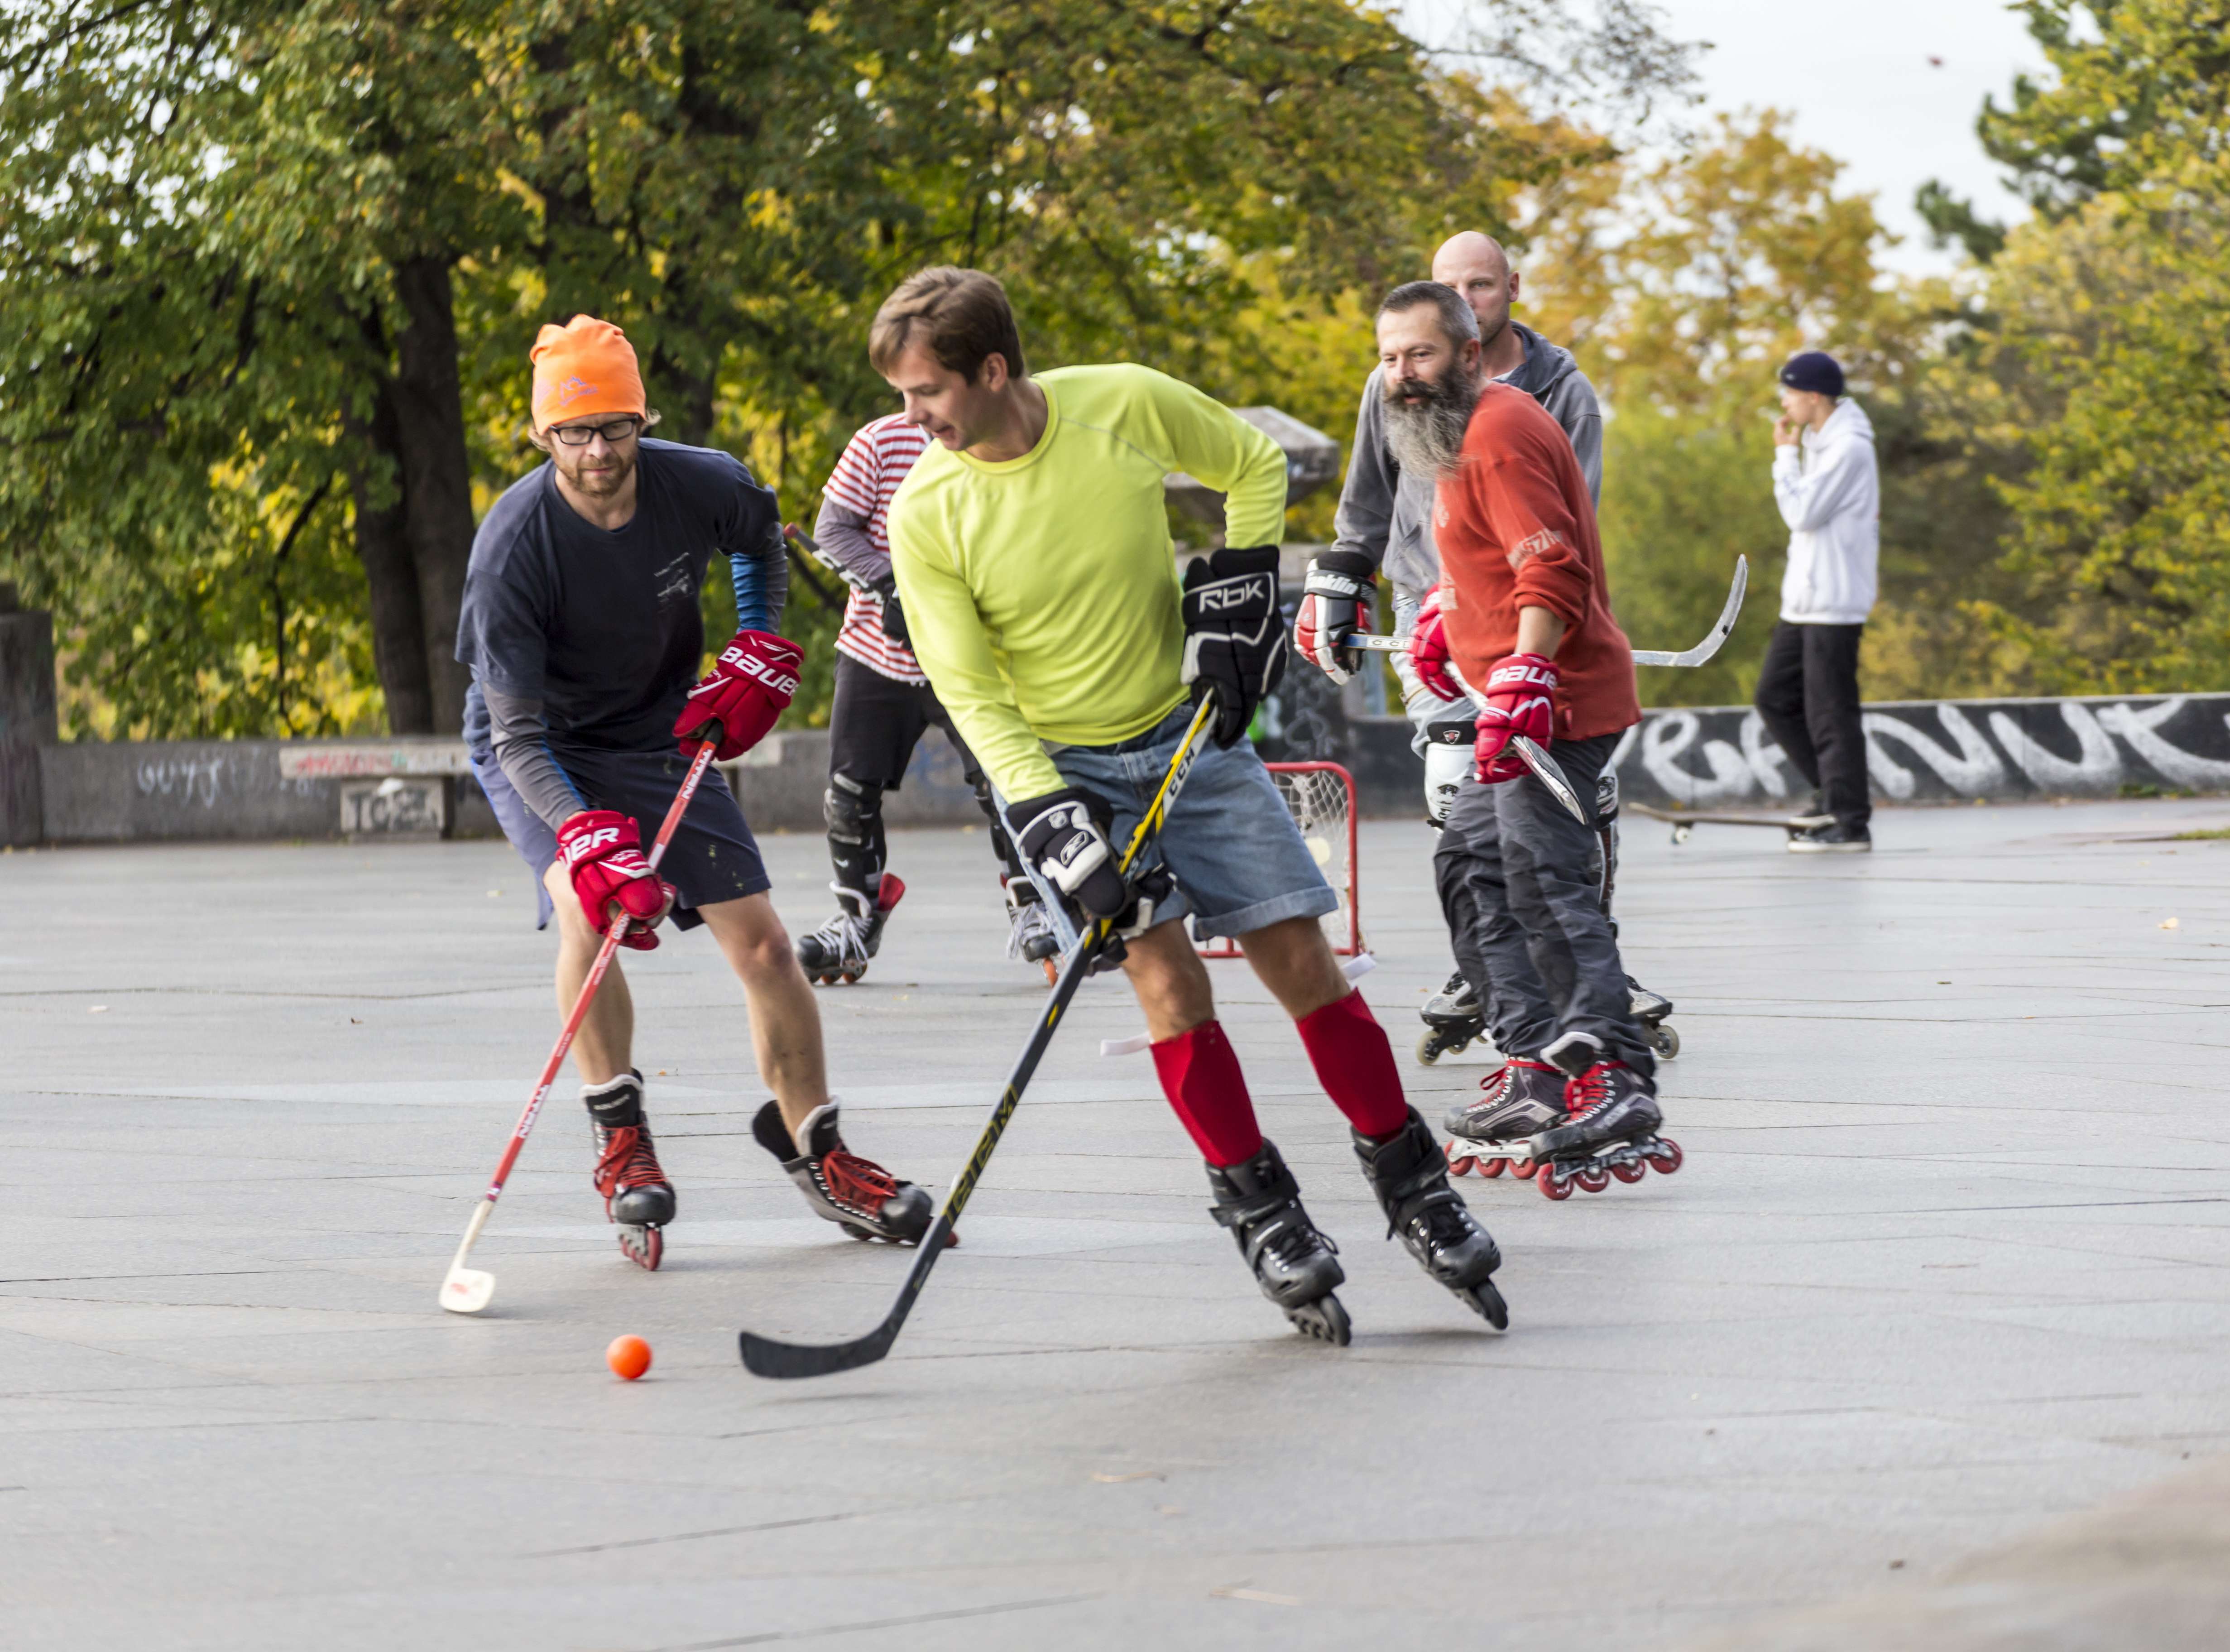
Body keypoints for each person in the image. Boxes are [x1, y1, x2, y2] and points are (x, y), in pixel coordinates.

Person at [873, 265, 1504, 1342]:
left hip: (1187, 734)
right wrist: (1050, 825)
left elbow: (1252, 465)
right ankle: (1261, 1209)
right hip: (1061, 770)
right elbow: (969, 692)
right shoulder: (925, 513)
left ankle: (1413, 1183)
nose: (911, 418)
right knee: (1164, 981)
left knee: (1298, 959)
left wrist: (1235, 598)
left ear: (991, 370)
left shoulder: (1117, 402)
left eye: (925, 392)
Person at [457, 315, 933, 1272]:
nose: (599, 453)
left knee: (763, 942)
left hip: (659, 729)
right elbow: (514, 735)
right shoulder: (513, 548)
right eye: (575, 433)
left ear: (644, 421)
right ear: (541, 436)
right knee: (584, 908)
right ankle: (620, 1133)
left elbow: (760, 537)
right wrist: (584, 837)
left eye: (616, 429)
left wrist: (758, 643)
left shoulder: (699, 479)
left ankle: (821, 1152)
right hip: (543, 745)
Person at [1309, 230, 1671, 1063]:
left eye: (1420, 353)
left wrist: (1524, 666)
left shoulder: (1506, 425)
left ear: (1471, 348)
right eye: (1391, 355)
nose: (1401, 369)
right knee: (1472, 861)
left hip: (1549, 679)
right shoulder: (1423, 408)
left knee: (1537, 865)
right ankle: (1530, 1051)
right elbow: (1389, 510)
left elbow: (1549, 561)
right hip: (1464, 629)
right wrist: (1376, 587)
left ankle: (1606, 1054)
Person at [790, 414, 1059, 985]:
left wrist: (946, 602)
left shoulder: (1008, 439)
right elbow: (833, 530)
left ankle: (1034, 903)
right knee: (847, 797)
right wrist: (891, 584)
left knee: (1006, 781)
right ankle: (856, 919)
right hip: (875, 652)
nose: (924, 404)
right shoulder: (882, 440)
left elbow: (1035, 546)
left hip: (970, 653)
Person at [1755, 349, 1878, 853]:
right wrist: (1796, 450)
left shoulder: (1849, 447)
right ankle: (1831, 795)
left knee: (1831, 714)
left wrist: (1783, 456)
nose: (1784, 403)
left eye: (1788, 392)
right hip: (1804, 602)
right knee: (1774, 697)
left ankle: (1850, 822)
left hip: (1835, 601)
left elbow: (1803, 512)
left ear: (1812, 397)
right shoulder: (1820, 439)